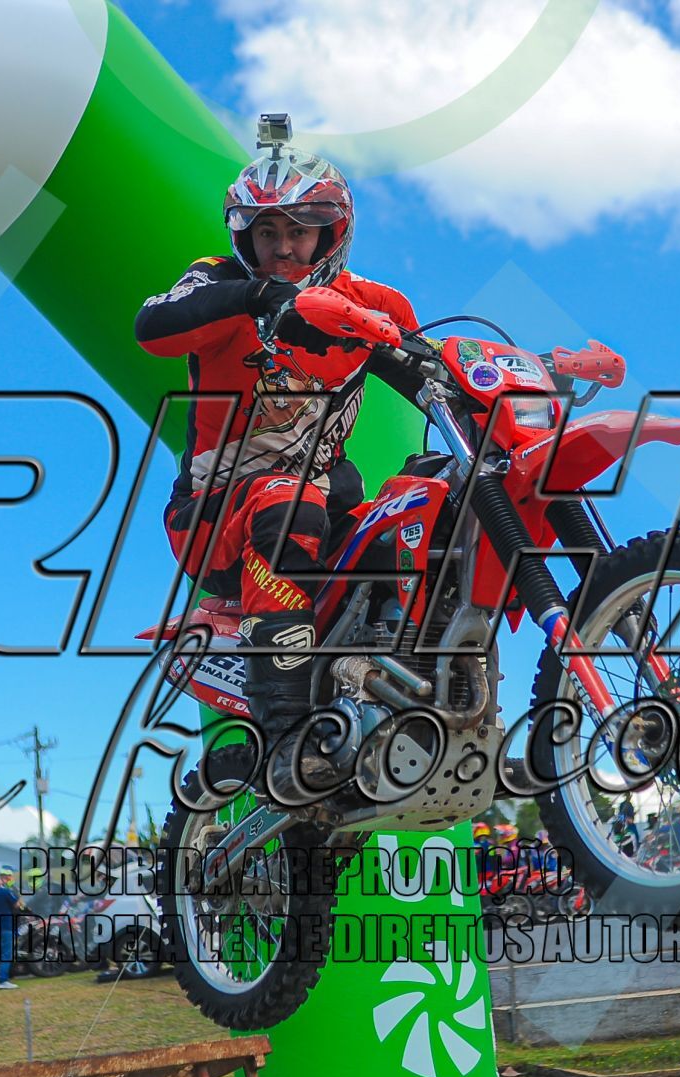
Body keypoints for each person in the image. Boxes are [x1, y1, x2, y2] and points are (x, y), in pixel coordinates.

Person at [136, 115, 422, 795]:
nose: (283, 248)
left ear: (331, 232)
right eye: (267, 232)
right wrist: (258, 298)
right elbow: (153, 326)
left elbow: (427, 371)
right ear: (245, 237)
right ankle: (290, 734)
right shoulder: (215, 281)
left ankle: (415, 691)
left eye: (299, 229)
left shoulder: (372, 303)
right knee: (284, 498)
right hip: (213, 516)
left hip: (327, 509)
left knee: (423, 503)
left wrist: (522, 378)